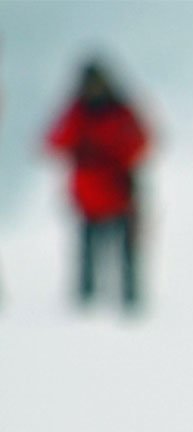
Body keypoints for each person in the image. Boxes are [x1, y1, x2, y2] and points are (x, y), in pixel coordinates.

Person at [45, 60, 151, 310]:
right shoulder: (77, 113)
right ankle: (86, 303)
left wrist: (109, 153)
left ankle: (130, 302)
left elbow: (140, 143)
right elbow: (54, 142)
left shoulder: (121, 111)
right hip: (88, 195)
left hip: (119, 193)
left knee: (126, 255)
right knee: (88, 255)